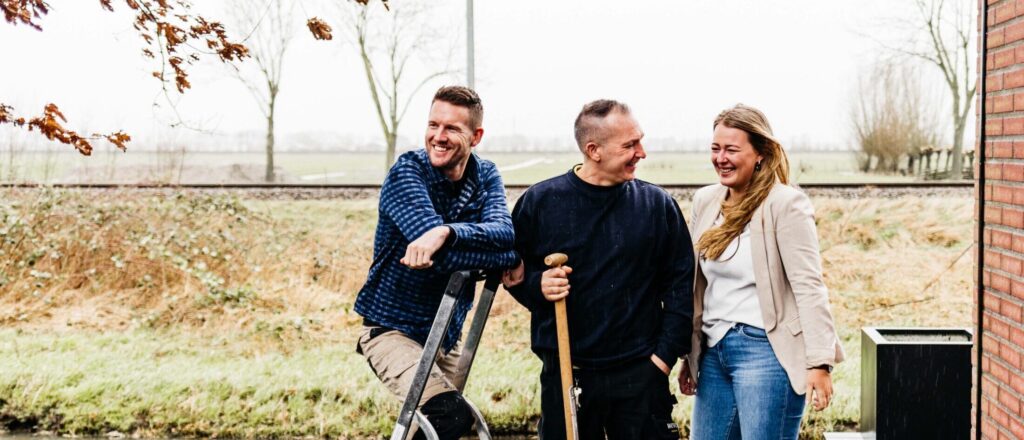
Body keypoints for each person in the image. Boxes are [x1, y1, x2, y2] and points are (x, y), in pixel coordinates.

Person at [503, 99, 694, 439]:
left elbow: (681, 288)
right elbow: (511, 273)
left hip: (642, 376)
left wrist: (662, 360)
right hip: (567, 375)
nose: (642, 152)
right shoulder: (541, 203)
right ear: (594, 150)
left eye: (640, 140)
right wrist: (538, 286)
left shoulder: (657, 206)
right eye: (630, 145)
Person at [353, 85, 518, 440]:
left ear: (476, 136)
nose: (438, 137)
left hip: (445, 334)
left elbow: (507, 236)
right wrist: (492, 254)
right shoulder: (407, 175)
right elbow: (443, 261)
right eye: (433, 125)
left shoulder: (485, 175)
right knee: (448, 417)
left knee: (436, 432)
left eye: (452, 129)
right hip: (391, 331)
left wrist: (446, 232)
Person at [679, 104, 845, 440]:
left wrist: (819, 363)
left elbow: (809, 286)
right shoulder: (706, 201)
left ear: (760, 154)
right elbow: (697, 285)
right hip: (713, 351)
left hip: (767, 353)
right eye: (715, 148)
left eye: (731, 149)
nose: (721, 158)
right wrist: (690, 353)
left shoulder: (785, 204)